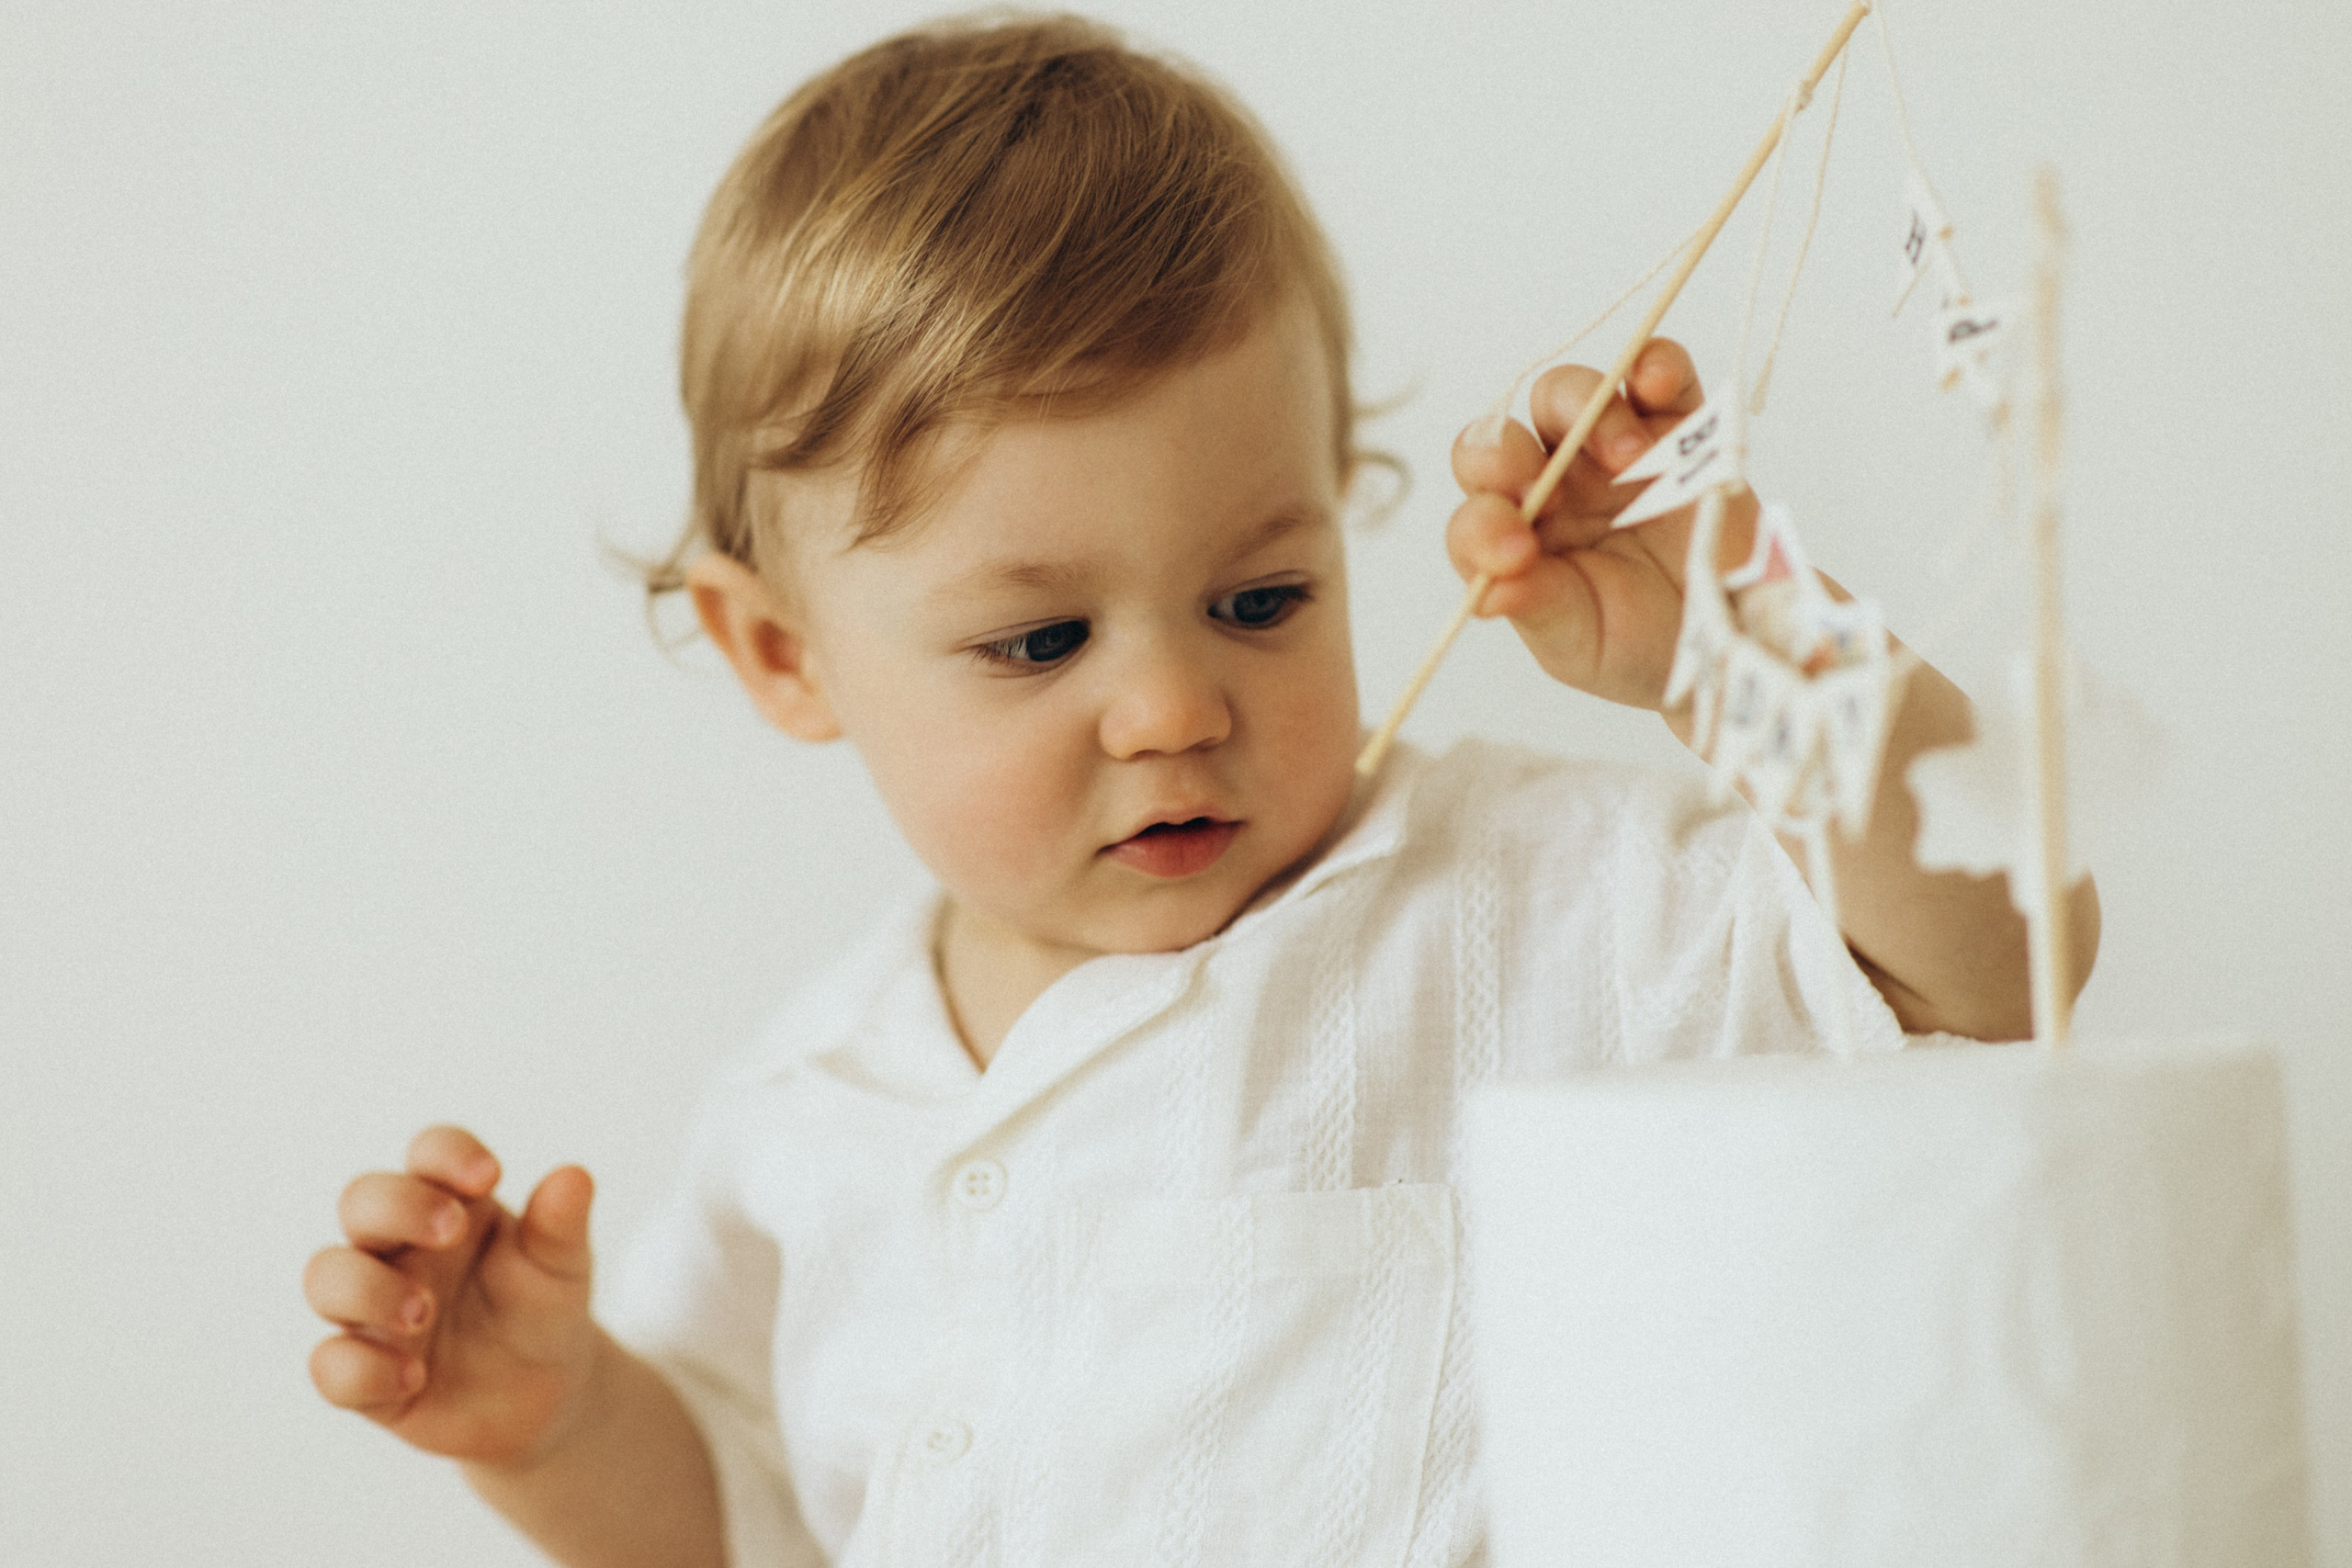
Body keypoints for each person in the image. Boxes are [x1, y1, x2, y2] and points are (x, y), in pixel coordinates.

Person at [300, 14, 2097, 1567]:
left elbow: (2004, 947)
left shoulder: (1520, 907)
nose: (1170, 706)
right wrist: (554, 1427)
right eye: (1038, 640)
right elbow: (746, 1520)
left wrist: (1748, 634)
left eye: (1261, 600)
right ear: (783, 656)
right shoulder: (806, 1104)